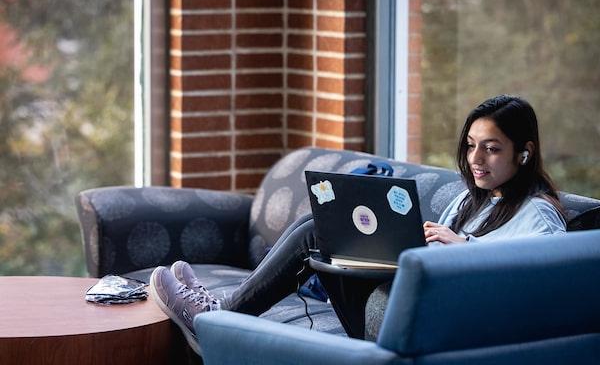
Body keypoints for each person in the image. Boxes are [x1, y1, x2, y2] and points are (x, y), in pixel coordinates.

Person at [149, 94, 566, 354]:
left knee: (318, 232)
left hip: (443, 330)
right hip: (408, 307)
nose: (475, 159)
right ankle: (221, 314)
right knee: (326, 225)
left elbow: (539, 294)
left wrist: (463, 249)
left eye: (492, 149)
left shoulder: (538, 215)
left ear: (524, 153)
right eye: (471, 146)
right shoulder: (469, 199)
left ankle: (216, 318)